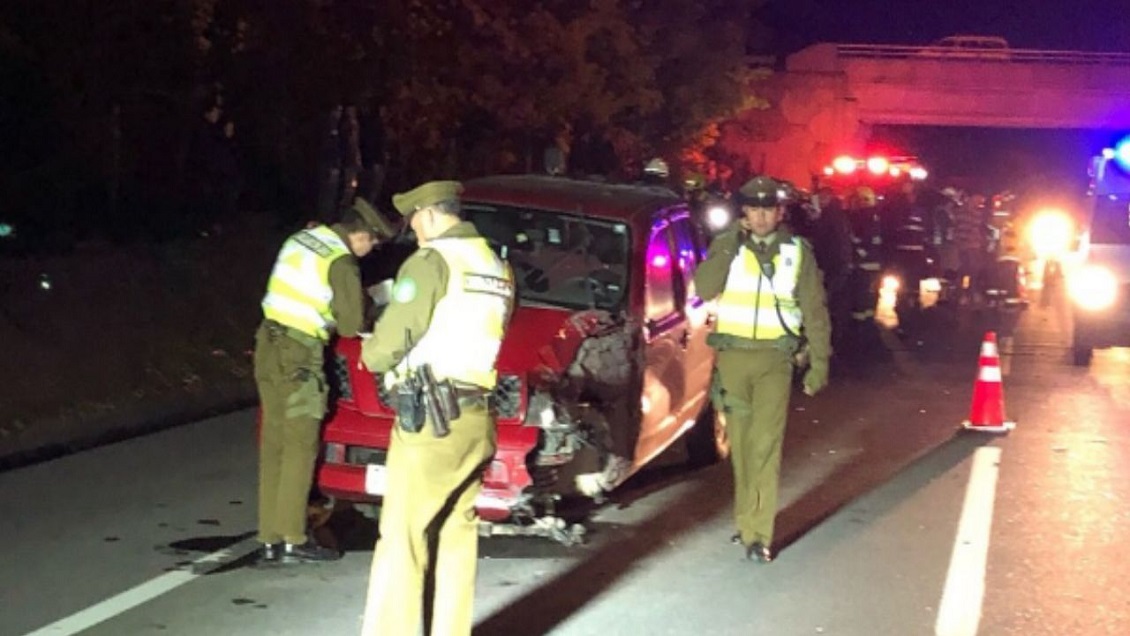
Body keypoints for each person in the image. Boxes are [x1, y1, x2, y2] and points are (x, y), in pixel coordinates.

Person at [360, 181, 515, 636]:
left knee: (402, 539)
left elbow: (387, 345)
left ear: (427, 215)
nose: (414, 233)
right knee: (456, 536)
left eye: (414, 223)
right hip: (476, 415)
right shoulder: (495, 264)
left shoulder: (432, 262)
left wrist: (373, 350)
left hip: (431, 420)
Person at [693, 176, 832, 563]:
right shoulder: (727, 247)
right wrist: (725, 246)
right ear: (744, 213)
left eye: (767, 209)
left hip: (775, 360)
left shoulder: (797, 252)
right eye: (753, 209)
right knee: (740, 447)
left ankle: (760, 534)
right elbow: (703, 288)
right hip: (734, 360)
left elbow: (815, 311)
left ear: (780, 212)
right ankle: (745, 522)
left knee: (764, 447)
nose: (760, 217)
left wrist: (819, 362)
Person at [254, 197, 398, 564]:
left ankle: (269, 536)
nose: (370, 252)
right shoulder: (342, 261)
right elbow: (350, 325)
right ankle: (293, 537)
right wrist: (370, 307)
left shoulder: (302, 239)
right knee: (301, 446)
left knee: (275, 442)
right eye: (372, 244)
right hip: (300, 354)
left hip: (267, 343)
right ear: (361, 235)